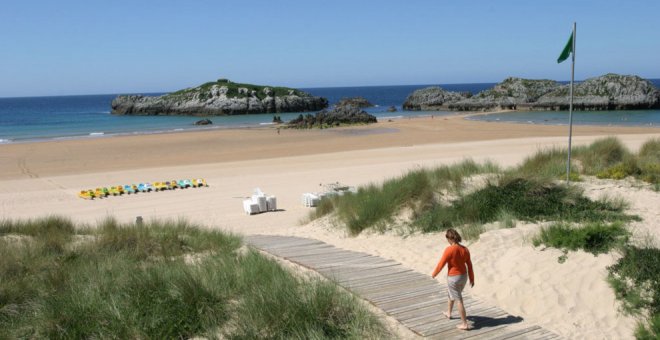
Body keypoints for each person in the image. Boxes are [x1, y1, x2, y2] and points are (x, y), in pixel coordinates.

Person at [431, 228, 474, 330]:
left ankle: (464, 324)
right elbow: (470, 265)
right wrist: (472, 278)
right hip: (464, 276)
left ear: (450, 238)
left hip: (453, 278)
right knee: (452, 294)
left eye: (447, 239)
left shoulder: (449, 250)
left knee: (458, 299)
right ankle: (449, 313)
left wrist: (434, 274)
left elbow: (441, 264)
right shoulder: (465, 249)